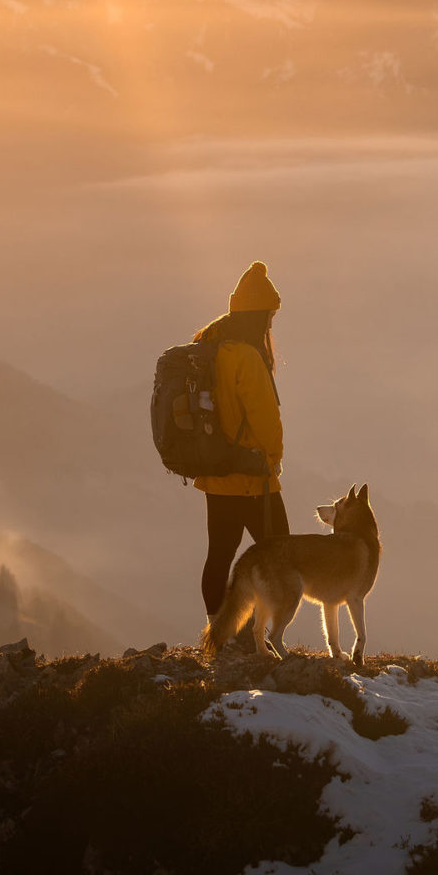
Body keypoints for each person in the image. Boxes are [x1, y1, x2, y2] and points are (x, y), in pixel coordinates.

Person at [195, 261, 288, 622]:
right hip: (252, 476)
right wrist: (273, 458)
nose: (270, 324)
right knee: (279, 552)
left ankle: (219, 629)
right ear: (259, 315)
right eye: (269, 316)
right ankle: (259, 636)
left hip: (216, 472)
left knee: (219, 553)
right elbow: (266, 419)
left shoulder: (211, 346)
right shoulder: (247, 357)